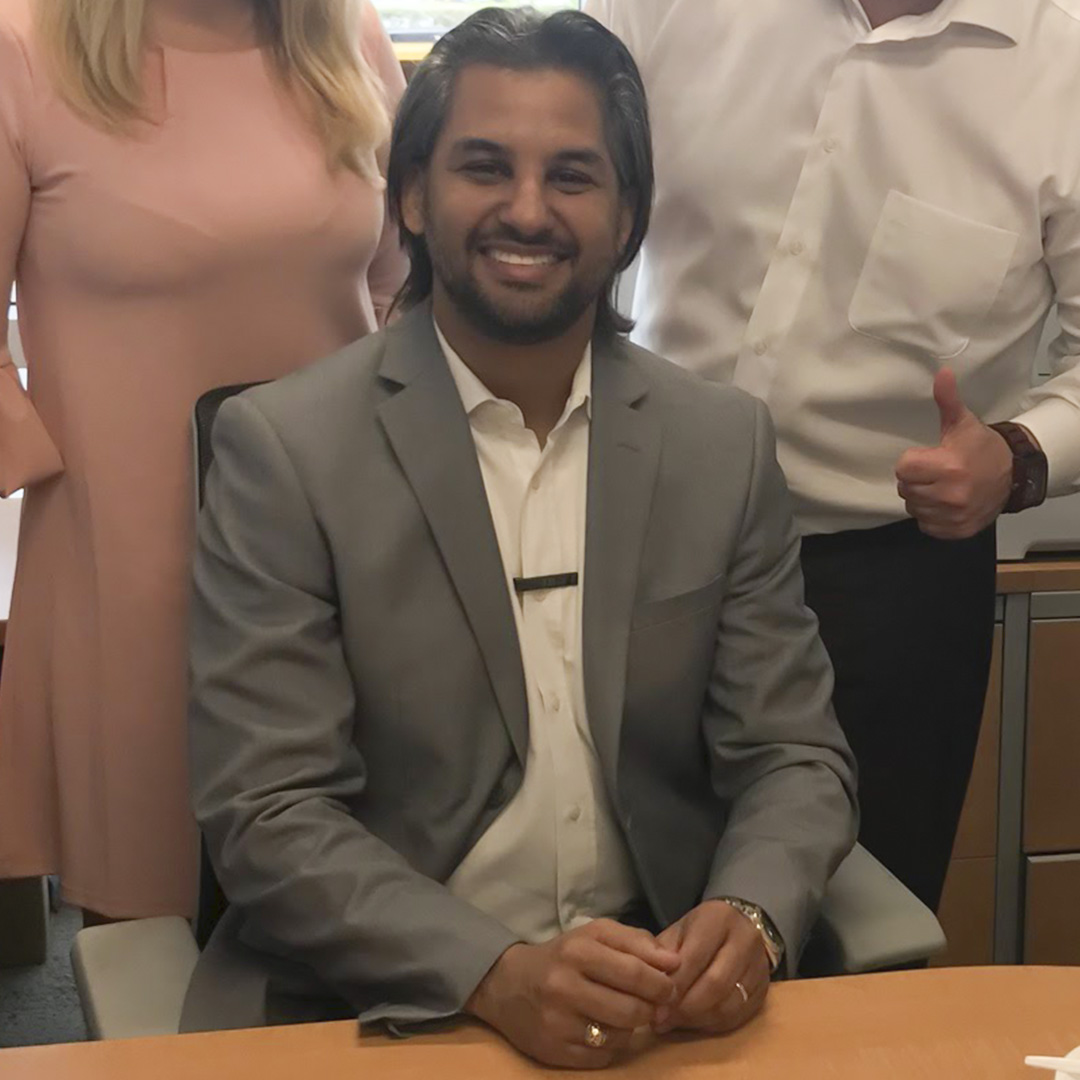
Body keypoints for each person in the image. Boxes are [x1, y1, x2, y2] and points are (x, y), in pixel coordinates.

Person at [182, 9, 857, 1068]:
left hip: (659, 1000)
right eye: (485, 167)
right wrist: (492, 971)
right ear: (413, 195)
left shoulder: (720, 445)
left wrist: (752, 912)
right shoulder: (285, 450)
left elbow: (794, 756)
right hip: (383, 1006)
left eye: (573, 176)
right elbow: (267, 811)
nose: (529, 211)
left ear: (627, 217)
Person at [584, 0, 1080, 911]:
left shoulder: (1063, 64)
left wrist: (1019, 456)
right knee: (601, 885)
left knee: (859, 912)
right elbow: (567, 202)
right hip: (628, 539)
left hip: (892, 577)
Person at [0, 0, 406, 922]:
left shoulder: (347, 36)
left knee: (354, 888)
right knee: (152, 911)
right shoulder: (24, 49)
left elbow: (398, 284)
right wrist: (60, 473)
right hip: (127, 566)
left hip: (340, 547)